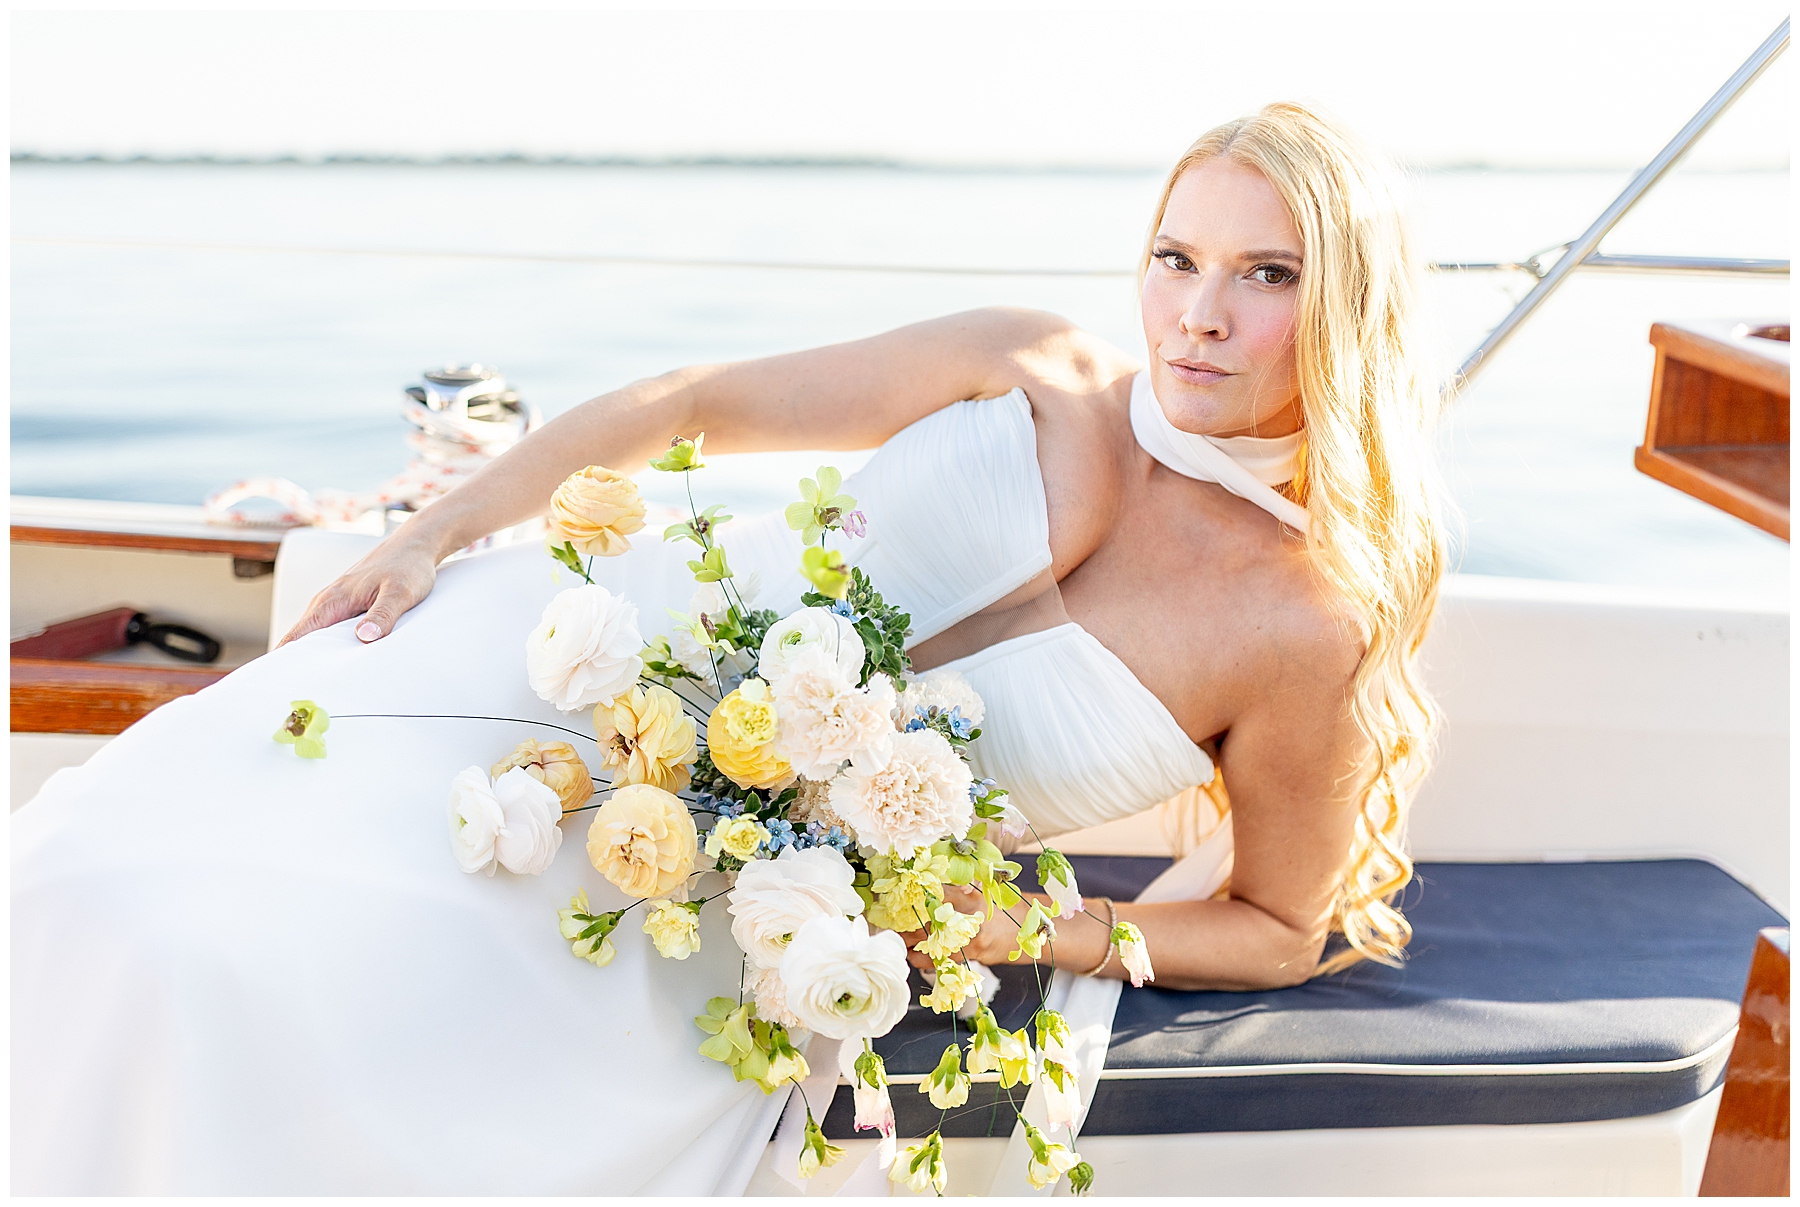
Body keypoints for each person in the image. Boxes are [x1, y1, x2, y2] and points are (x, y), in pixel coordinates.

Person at [11, 102, 1447, 1194]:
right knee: (99, 872)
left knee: (228, 976)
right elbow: (692, 400)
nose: (1199, 313)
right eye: (1175, 256)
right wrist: (431, 537)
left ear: (1347, 309)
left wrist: (1015, 927)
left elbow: (1278, 924)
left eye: (1266, 273)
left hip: (719, 882)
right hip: (570, 657)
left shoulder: (1306, 624)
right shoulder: (1033, 360)